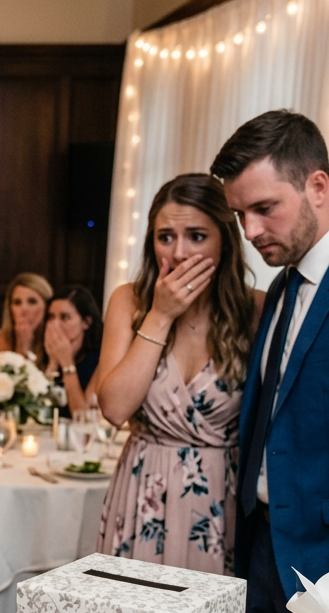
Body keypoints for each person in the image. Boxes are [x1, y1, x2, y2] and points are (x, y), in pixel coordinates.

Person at [95, 173, 261, 575]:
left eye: (197, 236)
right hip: (143, 489)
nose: (180, 252)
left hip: (221, 497)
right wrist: (160, 315)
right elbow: (114, 408)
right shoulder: (130, 300)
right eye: (166, 236)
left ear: (224, 239)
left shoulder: (255, 309)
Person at [212, 110, 329, 613]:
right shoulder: (282, 287)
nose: (251, 231)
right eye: (240, 215)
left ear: (318, 187)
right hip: (263, 545)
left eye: (265, 208)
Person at [44, 285, 103, 416]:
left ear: (86, 322)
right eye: (51, 317)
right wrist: (53, 364)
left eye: (64, 317)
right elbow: (38, 412)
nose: (55, 325)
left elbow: (83, 416)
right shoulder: (43, 353)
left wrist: (67, 363)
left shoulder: (100, 360)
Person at [0, 272, 53, 361]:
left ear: (47, 306)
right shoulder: (3, 339)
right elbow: (13, 374)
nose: (24, 309)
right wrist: (22, 347)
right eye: (17, 302)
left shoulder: (58, 338)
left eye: (32, 302)